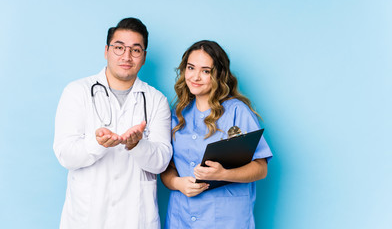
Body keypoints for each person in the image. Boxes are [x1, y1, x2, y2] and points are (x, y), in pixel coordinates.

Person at [53, 17, 172, 229]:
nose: (127, 56)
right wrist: (97, 143)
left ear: (144, 57)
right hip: (87, 217)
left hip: (136, 218)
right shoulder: (76, 92)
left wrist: (137, 145)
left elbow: (162, 161)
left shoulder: (156, 100)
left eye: (135, 50)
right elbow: (65, 154)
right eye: (119, 47)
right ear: (106, 51)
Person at [161, 40, 273, 228]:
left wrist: (223, 174)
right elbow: (166, 167)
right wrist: (177, 183)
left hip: (226, 218)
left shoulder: (237, 111)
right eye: (191, 68)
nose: (195, 77)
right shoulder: (177, 114)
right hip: (182, 217)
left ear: (218, 75)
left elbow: (261, 168)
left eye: (206, 71)